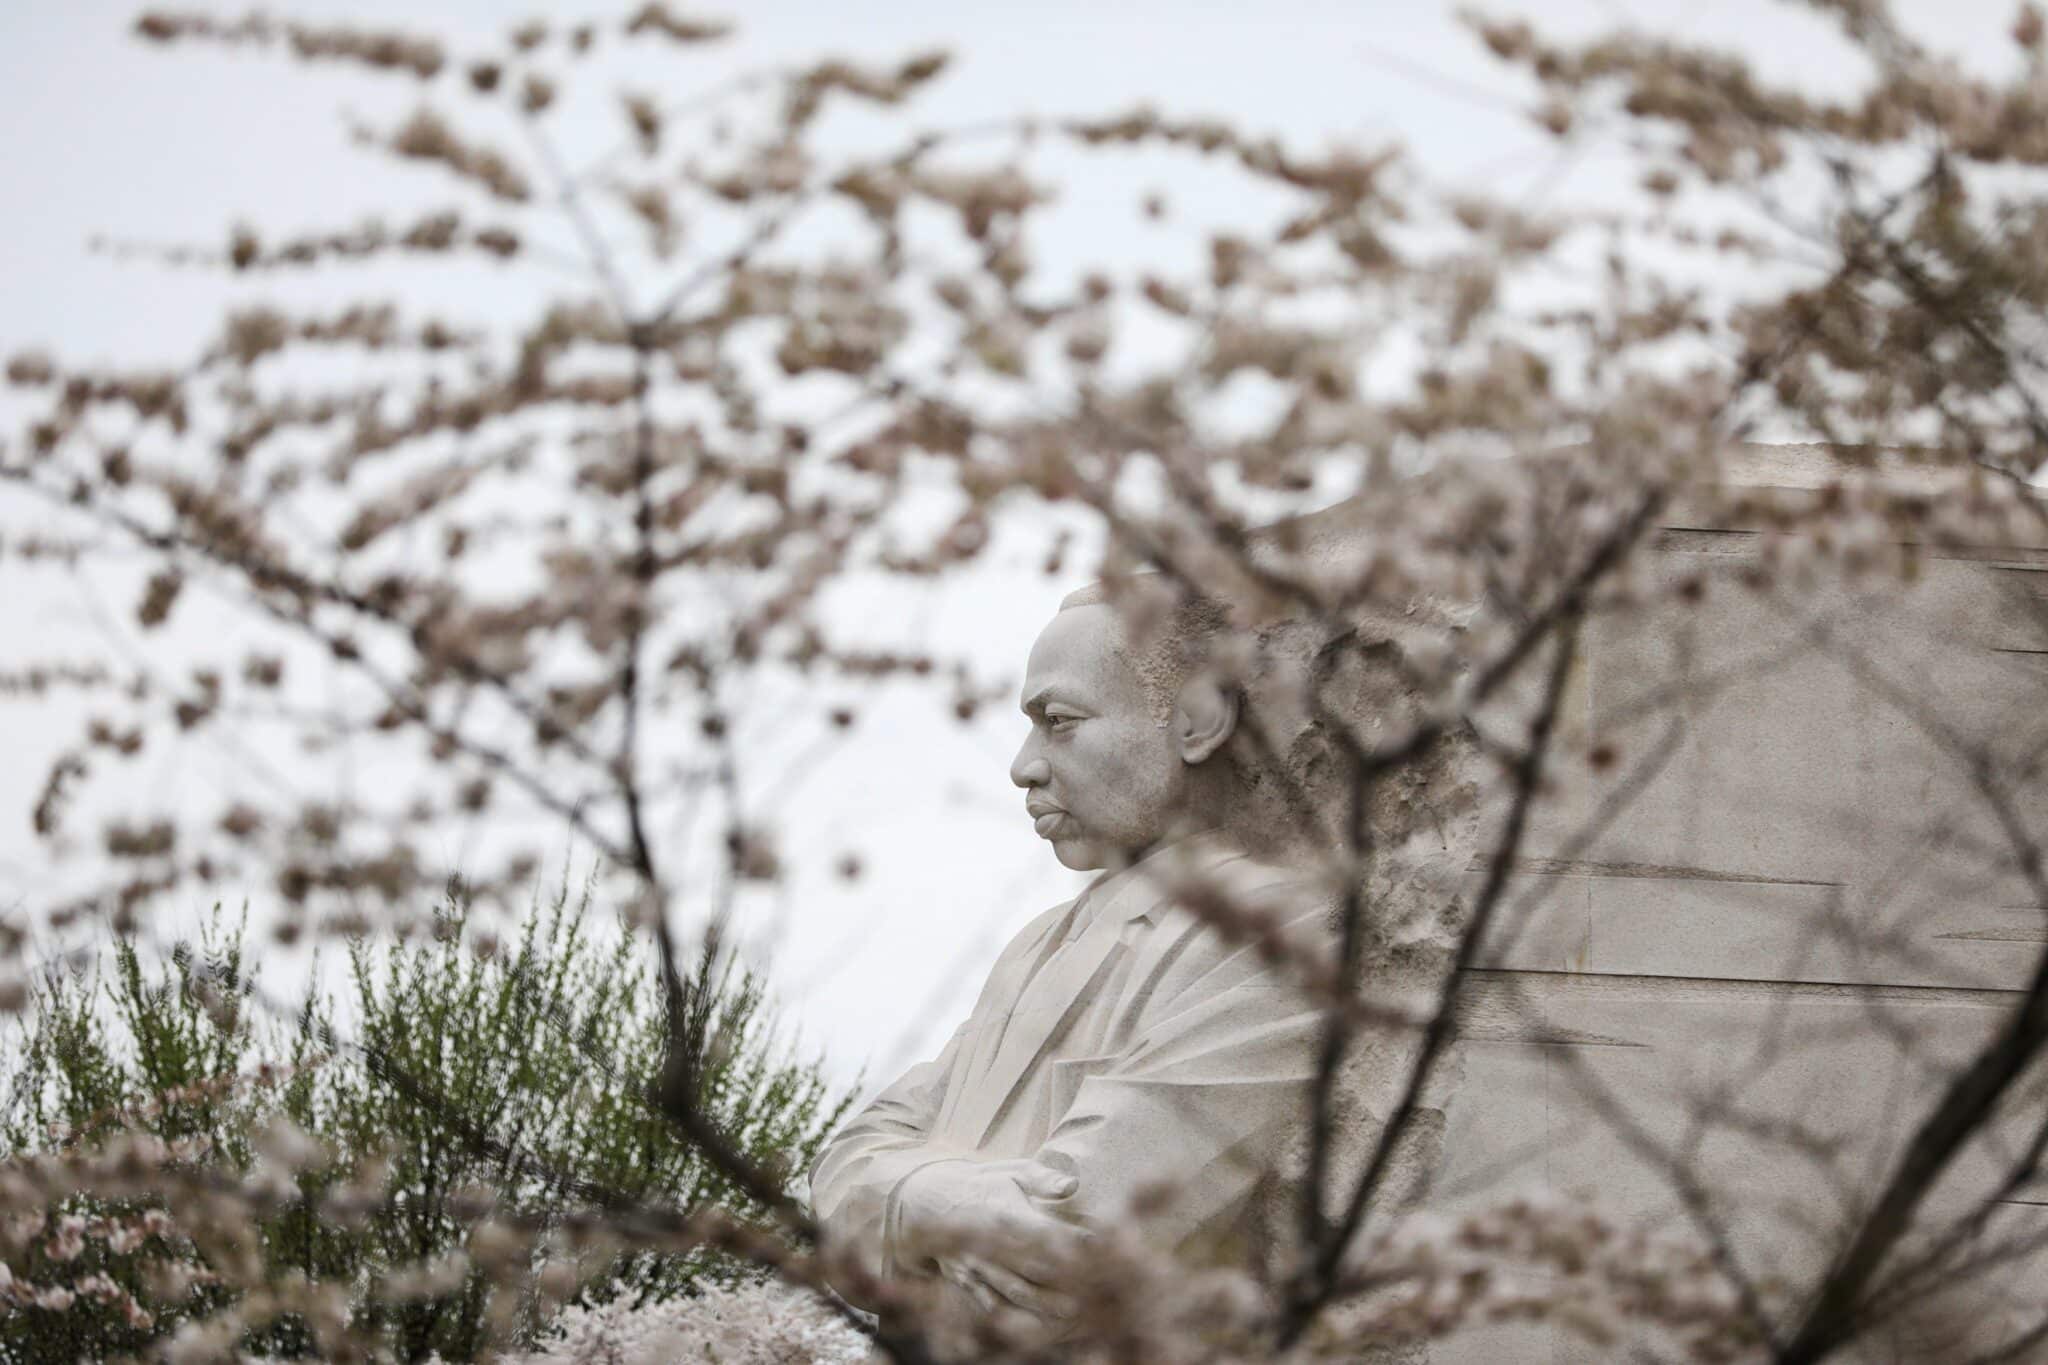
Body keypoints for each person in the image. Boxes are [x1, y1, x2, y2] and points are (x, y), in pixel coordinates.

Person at [810, 581, 1331, 1322]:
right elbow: (838, 1169)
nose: (1023, 766)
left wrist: (900, 1198)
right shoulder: (1034, 948)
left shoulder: (1277, 931)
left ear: (1197, 720)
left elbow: (1082, 1235)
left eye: (1059, 721)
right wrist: (941, 1205)